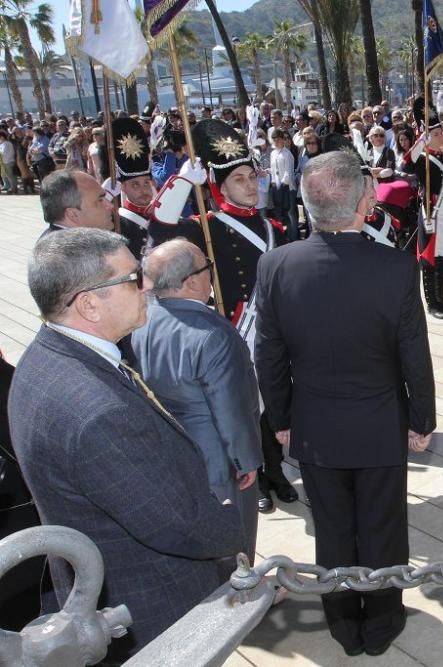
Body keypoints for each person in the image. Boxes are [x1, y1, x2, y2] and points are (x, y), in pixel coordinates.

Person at [8, 229, 243, 662]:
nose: (148, 286)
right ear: (88, 304)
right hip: (152, 610)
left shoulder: (44, 358)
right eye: (133, 278)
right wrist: (232, 531)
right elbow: (176, 524)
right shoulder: (96, 411)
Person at [255, 150, 435, 657]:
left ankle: (343, 626)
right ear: (365, 203)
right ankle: (380, 624)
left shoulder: (276, 265)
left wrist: (283, 421)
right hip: (379, 424)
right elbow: (413, 356)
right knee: (382, 529)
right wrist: (421, 419)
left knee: (332, 531)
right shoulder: (396, 267)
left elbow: (268, 357)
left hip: (315, 426)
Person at [148, 118, 298, 514]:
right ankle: (258, 474)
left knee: (273, 399)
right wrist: (182, 181)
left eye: (252, 176)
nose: (251, 185)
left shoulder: (274, 227)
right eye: (239, 179)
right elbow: (160, 227)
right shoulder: (206, 226)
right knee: (247, 406)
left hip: (273, 329)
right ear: (218, 186)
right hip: (235, 329)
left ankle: (277, 470)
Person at [131, 239, 262, 572]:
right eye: (207, 268)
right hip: (218, 459)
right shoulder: (213, 333)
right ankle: (240, 594)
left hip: (170, 448)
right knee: (234, 534)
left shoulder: (142, 319)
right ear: (191, 281)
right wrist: (244, 460)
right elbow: (230, 407)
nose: (210, 275)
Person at [402, 98, 443, 318]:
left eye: (440, 133)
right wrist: (420, 142)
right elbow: (406, 164)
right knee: (430, 257)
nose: (441, 136)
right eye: (435, 134)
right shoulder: (422, 158)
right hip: (431, 209)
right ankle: (432, 303)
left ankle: (442, 299)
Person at [111, 117, 156, 259]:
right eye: (135, 184)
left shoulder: (161, 216)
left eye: (146, 183)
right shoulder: (116, 223)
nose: (143, 190)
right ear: (123, 187)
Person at [37, 170, 114, 239]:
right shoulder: (80, 252)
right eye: (100, 200)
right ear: (73, 214)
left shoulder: (54, 242)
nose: (110, 206)